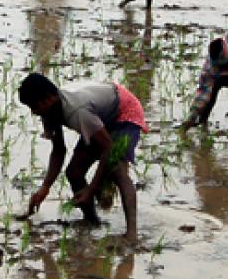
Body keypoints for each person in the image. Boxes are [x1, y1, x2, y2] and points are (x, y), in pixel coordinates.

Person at [19, 73, 145, 241]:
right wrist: (44, 189)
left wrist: (91, 188)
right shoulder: (48, 112)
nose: (34, 112)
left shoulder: (77, 111)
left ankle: (131, 234)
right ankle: (92, 222)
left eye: (34, 106)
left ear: (48, 99)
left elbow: (109, 147)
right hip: (99, 116)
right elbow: (58, 150)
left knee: (117, 172)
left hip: (124, 112)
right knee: (74, 172)